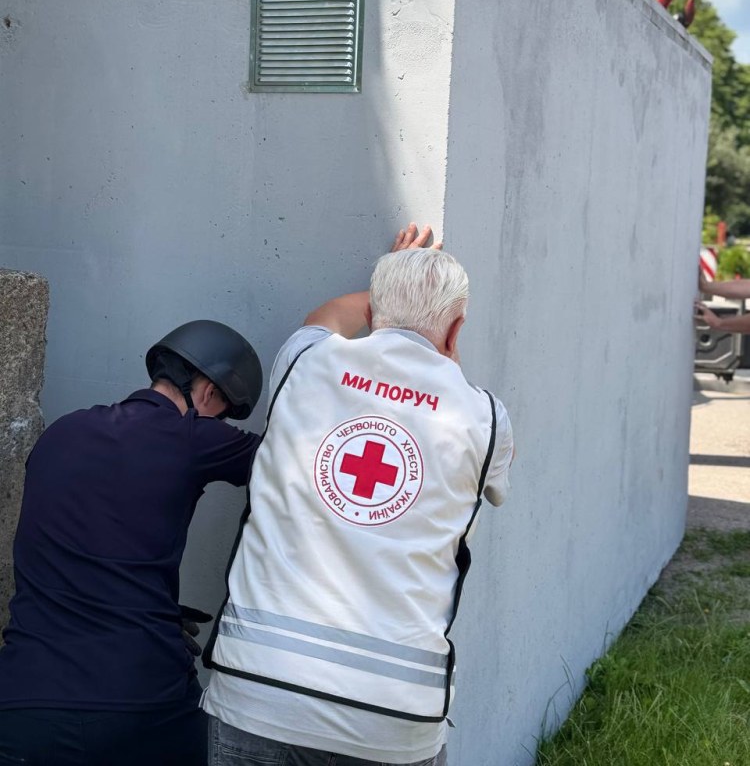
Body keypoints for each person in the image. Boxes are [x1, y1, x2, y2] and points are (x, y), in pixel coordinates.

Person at [201, 224, 515, 765]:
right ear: (458, 327)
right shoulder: (486, 417)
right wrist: (440, 345)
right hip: (394, 718)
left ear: (372, 310)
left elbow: (326, 316)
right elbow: (493, 485)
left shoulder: (304, 362)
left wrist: (392, 282)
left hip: (261, 689)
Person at [0, 320, 263, 766]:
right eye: (222, 413)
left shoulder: (60, 432)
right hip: (141, 702)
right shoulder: (191, 436)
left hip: (22, 704)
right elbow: (301, 465)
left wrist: (143, 601)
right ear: (208, 392)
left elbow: (88, 539)